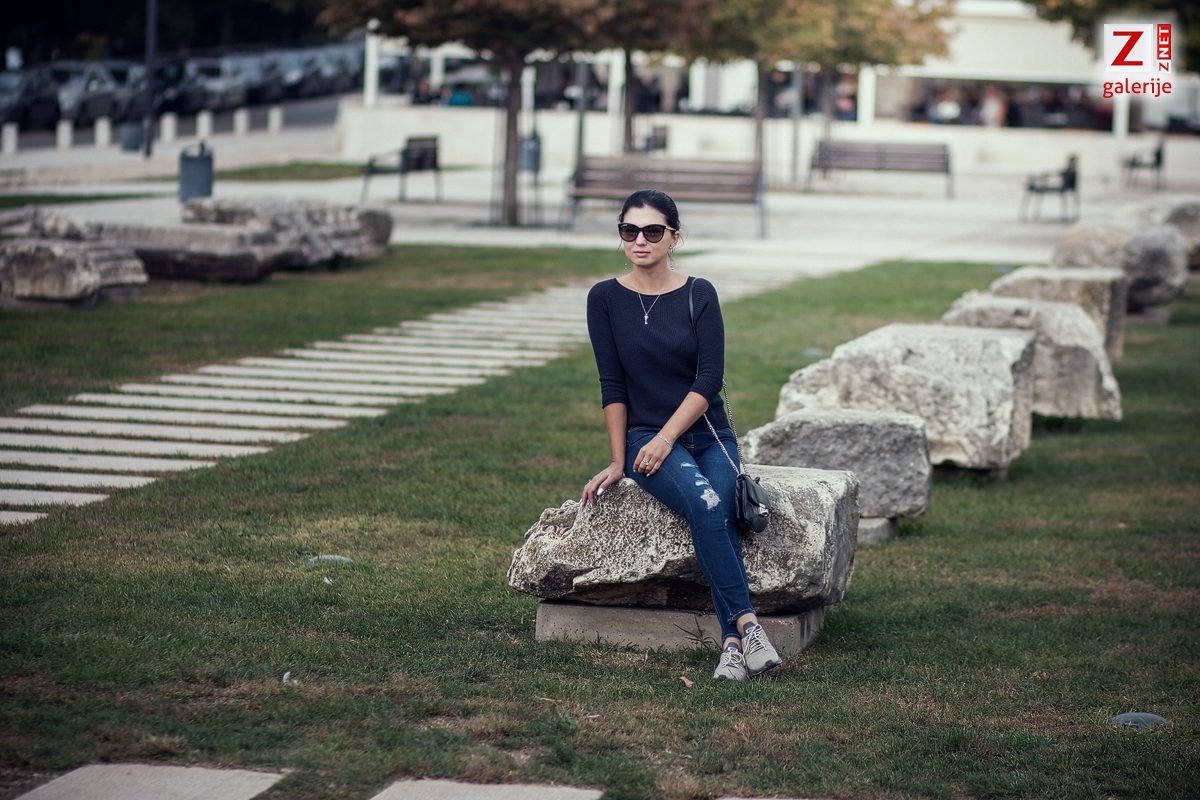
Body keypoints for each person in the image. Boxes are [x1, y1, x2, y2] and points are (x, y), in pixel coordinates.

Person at [581, 189, 782, 682]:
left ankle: (731, 645)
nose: (640, 240)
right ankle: (749, 625)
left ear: (673, 237)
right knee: (707, 505)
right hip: (643, 436)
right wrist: (618, 460)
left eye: (653, 231)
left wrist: (669, 438)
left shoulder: (699, 293)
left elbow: (709, 379)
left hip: (709, 435)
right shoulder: (604, 298)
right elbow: (612, 384)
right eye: (629, 230)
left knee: (719, 511)